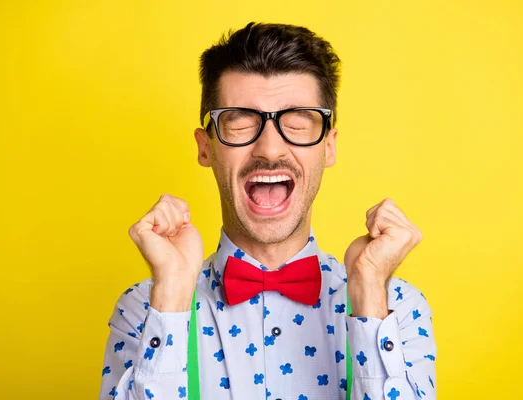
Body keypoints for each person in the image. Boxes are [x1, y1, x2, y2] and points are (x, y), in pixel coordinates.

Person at [99, 21, 437, 400]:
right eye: (241, 121)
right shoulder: (145, 310)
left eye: (298, 121)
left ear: (328, 146)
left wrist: (371, 295)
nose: (271, 149)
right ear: (206, 147)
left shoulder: (396, 310)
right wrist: (173, 297)